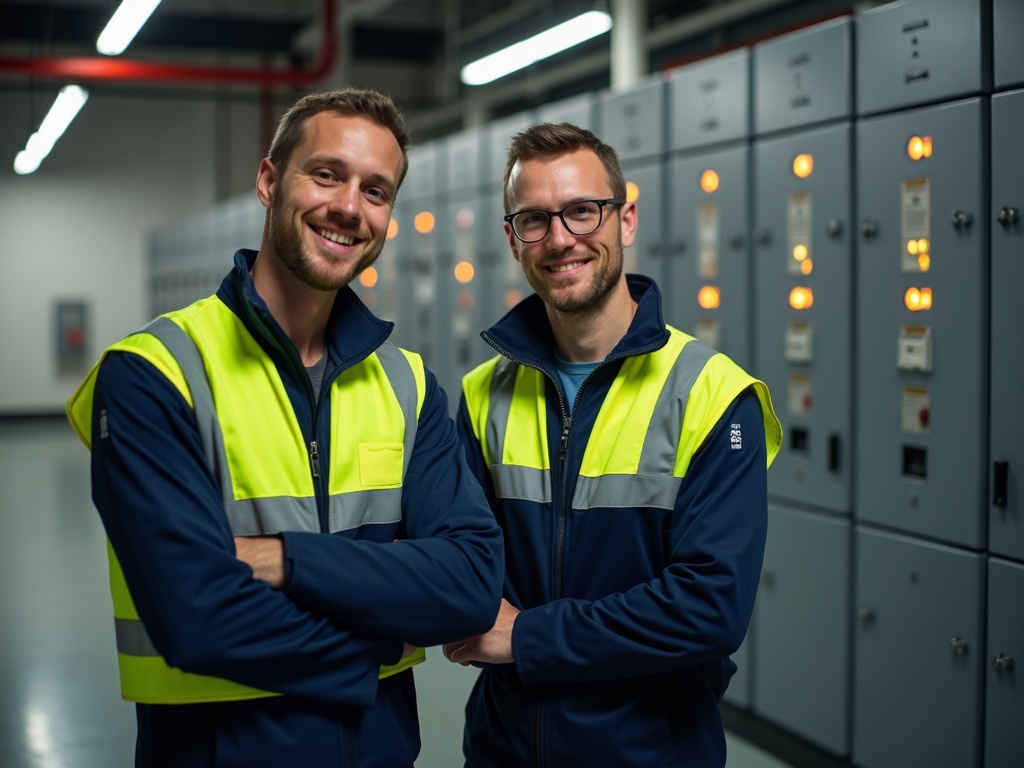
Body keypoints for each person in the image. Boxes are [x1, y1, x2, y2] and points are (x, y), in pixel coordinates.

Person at [66, 87, 503, 767]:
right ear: (270, 181)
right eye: (325, 174)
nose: (348, 207)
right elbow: (196, 616)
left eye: (376, 190)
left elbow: (471, 582)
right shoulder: (154, 375)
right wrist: (383, 643)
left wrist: (280, 559)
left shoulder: (407, 384)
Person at [443, 122, 782, 767]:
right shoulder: (483, 394)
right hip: (503, 748)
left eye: (582, 212)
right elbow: (457, 562)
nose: (561, 239)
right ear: (513, 240)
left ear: (625, 218)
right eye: (535, 220)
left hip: (649, 751)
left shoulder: (711, 395)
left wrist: (531, 637)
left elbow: (710, 608)